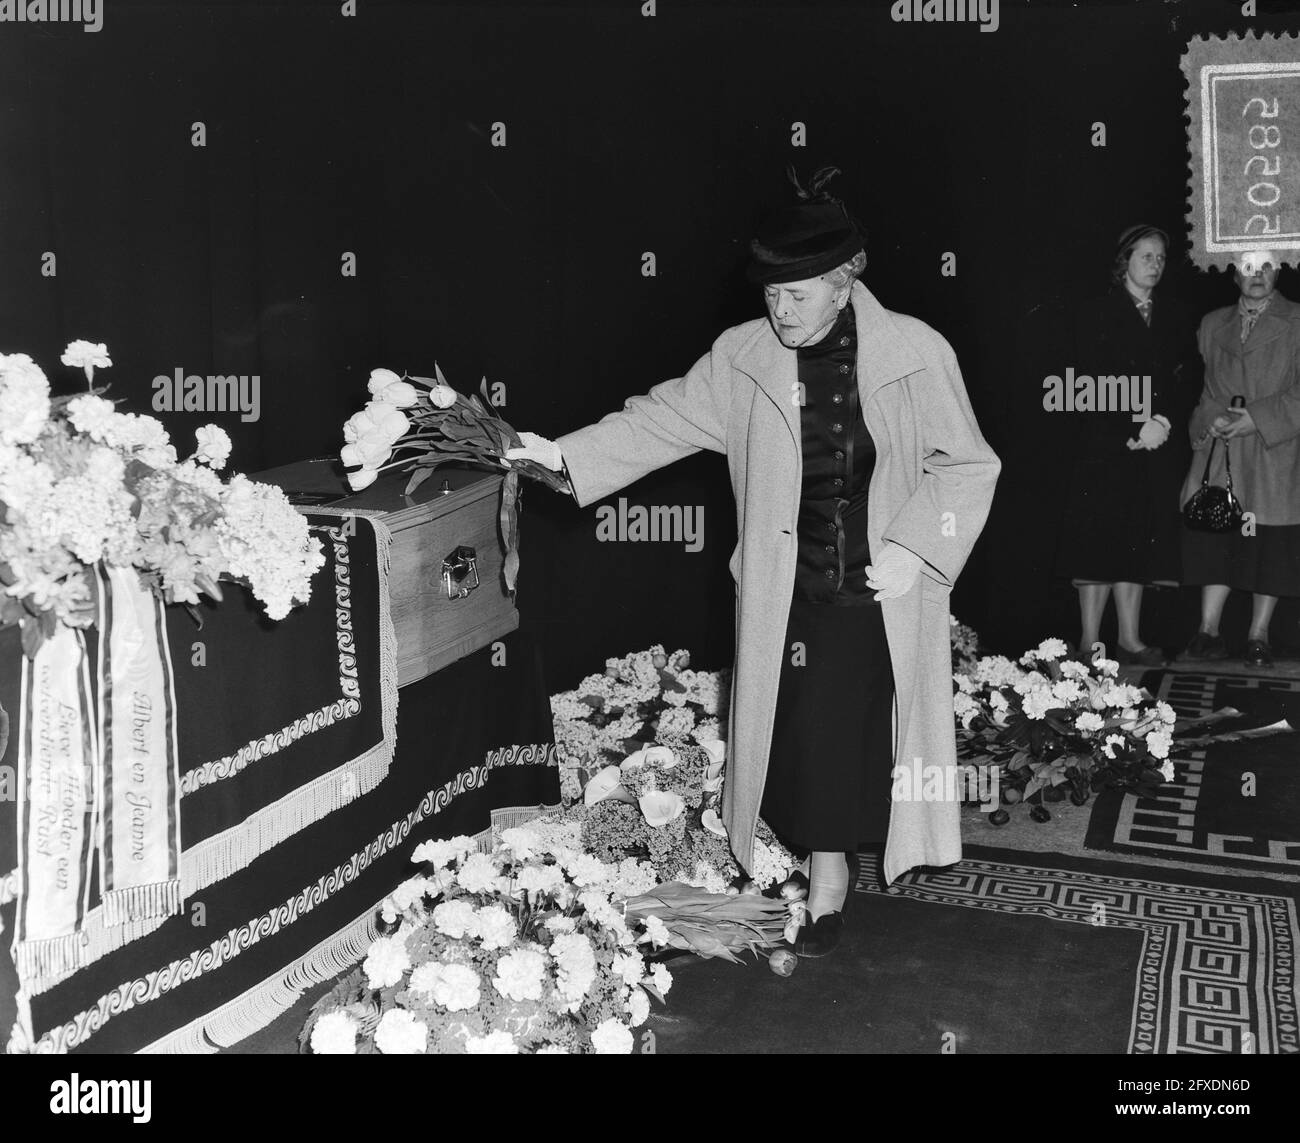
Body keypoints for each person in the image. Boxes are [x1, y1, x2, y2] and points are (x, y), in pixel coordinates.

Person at [508, 168, 1000, 957]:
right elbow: (660, 418)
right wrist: (561, 460)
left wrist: (917, 545)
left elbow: (968, 466)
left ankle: (829, 871)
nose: (780, 310)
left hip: (881, 584)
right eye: (770, 293)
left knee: (850, 727)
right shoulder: (743, 357)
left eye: (798, 294)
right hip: (787, 585)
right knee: (804, 731)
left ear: (846, 282)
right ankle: (818, 853)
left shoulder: (916, 351)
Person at [1053, 224, 1201, 667]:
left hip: (1156, 446)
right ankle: (1089, 642)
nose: (1154, 265)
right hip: (1107, 446)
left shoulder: (1174, 314)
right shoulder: (1095, 312)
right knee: (1098, 544)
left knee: (1137, 542)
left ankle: (1131, 641)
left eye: (1160, 258)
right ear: (1124, 263)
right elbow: (1085, 381)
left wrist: (1162, 421)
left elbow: (1189, 373)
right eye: (1145, 257)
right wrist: (1132, 430)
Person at [1179, 251, 1300, 668]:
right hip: (1222, 448)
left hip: (1274, 449)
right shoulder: (1212, 324)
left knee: (1268, 544)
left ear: (1279, 270)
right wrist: (1212, 419)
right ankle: (1207, 630)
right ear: (1233, 274)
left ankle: (1258, 635)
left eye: (1267, 266)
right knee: (1218, 538)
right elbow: (1205, 392)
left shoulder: (1298, 321)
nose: (1258, 275)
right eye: (1248, 267)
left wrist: (1258, 419)